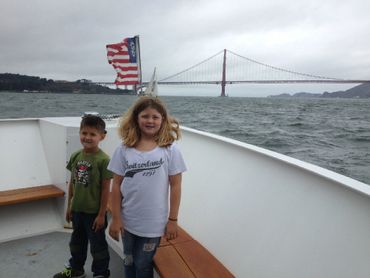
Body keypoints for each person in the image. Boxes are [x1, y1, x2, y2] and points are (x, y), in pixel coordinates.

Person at [108, 96, 187, 278]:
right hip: (128, 221)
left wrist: (173, 220)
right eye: (145, 116)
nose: (150, 121)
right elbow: (116, 185)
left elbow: (176, 186)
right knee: (128, 259)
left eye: (155, 117)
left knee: (143, 264)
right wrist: (116, 219)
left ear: (163, 120)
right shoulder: (124, 149)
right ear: (136, 118)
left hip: (153, 224)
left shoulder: (170, 149)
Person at [54, 115, 113, 278]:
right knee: (76, 242)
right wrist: (69, 207)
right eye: (84, 133)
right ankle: (76, 269)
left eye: (93, 134)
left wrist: (102, 215)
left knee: (98, 246)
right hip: (77, 210)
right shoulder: (75, 156)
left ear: (102, 136)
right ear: (79, 133)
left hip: (94, 213)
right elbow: (72, 182)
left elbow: (106, 190)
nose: (87, 137)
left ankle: (101, 273)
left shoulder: (104, 160)